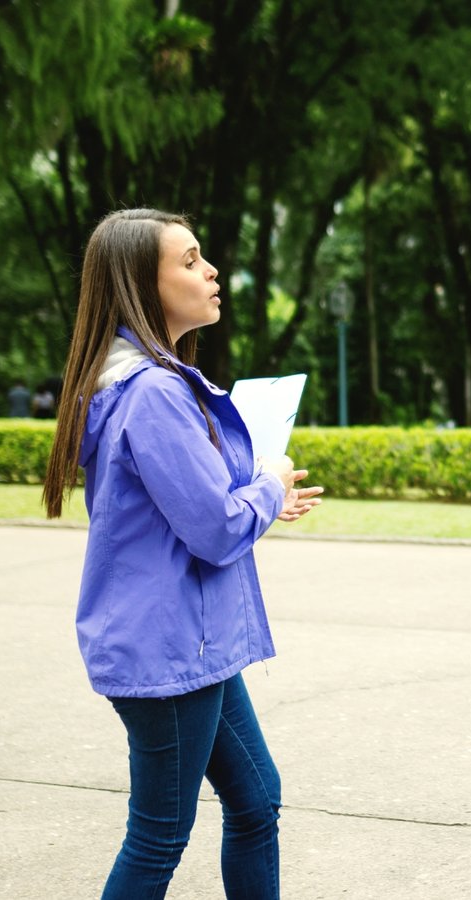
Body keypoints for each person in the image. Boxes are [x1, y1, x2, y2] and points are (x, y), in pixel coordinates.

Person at [41, 208, 322, 899]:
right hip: (170, 653)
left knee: (257, 801)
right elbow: (217, 529)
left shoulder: (132, 384)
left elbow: (184, 510)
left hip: (192, 645)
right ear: (144, 284)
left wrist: (258, 499)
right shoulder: (155, 392)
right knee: (159, 835)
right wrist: (263, 489)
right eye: (191, 261)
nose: (211, 270)